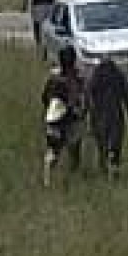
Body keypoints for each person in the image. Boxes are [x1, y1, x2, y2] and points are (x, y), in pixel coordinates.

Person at [41, 44, 88, 186]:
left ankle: (49, 180)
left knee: (53, 151)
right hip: (71, 120)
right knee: (73, 152)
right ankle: (69, 179)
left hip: (55, 120)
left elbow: (44, 98)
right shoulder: (77, 78)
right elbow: (82, 99)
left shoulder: (53, 78)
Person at [88, 55, 128, 177]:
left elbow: (90, 99)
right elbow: (127, 100)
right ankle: (113, 172)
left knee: (103, 148)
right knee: (115, 147)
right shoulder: (117, 75)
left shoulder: (97, 76)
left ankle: (105, 171)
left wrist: (89, 119)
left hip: (100, 115)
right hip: (114, 115)